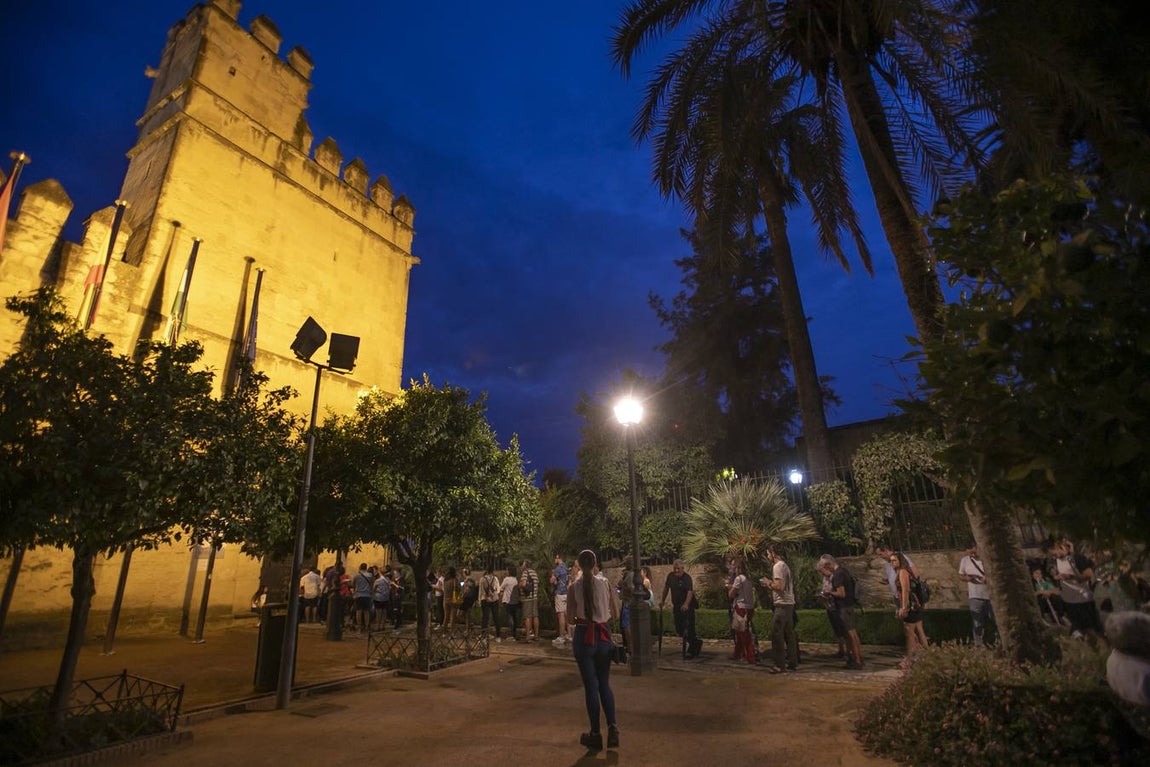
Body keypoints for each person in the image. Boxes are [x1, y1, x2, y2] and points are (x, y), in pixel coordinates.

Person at [566, 549, 619, 752]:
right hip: (604, 636)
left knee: (591, 687)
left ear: (579, 565)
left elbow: (570, 619)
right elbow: (615, 613)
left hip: (584, 637)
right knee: (604, 684)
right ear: (595, 563)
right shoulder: (604, 583)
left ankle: (595, 734)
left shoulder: (574, 587)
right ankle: (613, 728)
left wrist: (583, 617)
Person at [1049, 539, 1104, 640]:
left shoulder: (1076, 558)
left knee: (1093, 629)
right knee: (1082, 632)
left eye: (1054, 554)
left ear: (1057, 547)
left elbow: (1088, 575)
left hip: (1083, 600)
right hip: (1070, 601)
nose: (1053, 557)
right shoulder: (1056, 561)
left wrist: (1069, 577)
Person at [817, 554, 863, 668]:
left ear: (828, 565)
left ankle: (856, 660)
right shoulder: (844, 571)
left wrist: (829, 593)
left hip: (843, 607)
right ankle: (856, 658)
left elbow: (841, 593)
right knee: (852, 633)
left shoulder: (838, 574)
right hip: (849, 605)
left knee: (850, 634)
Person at [761, 548, 799, 673]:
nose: (767, 556)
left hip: (782, 604)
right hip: (789, 604)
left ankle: (779, 664)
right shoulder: (784, 566)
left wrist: (768, 583)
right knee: (789, 634)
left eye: (768, 554)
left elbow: (779, 586)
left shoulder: (777, 566)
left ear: (773, 553)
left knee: (776, 633)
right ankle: (793, 662)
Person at [893, 552, 929, 666]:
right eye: (891, 561)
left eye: (894, 560)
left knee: (909, 633)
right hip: (916, 605)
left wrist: (904, 607)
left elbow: (905, 590)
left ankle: (909, 660)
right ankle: (929, 657)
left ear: (900, 561)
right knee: (919, 631)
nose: (892, 563)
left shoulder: (903, 572)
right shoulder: (907, 571)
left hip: (911, 606)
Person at [660, 559, 700, 659]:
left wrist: (686, 604)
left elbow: (690, 592)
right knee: (679, 628)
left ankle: (692, 649)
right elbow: (666, 588)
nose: (676, 570)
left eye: (678, 568)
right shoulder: (670, 576)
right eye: (675, 568)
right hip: (677, 606)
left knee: (689, 628)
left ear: (682, 568)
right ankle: (696, 643)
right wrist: (662, 600)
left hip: (688, 607)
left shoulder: (687, 578)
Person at [958, 544, 994, 647]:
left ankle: (996, 642)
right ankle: (979, 645)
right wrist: (968, 578)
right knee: (977, 623)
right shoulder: (965, 560)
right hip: (974, 596)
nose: (972, 555)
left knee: (994, 619)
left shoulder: (987, 559)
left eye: (974, 552)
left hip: (990, 595)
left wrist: (987, 579)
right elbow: (961, 575)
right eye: (970, 553)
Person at [728, 560, 756, 664]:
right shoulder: (748, 579)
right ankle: (738, 653)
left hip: (741, 607)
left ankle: (750, 657)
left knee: (743, 633)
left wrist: (730, 587)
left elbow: (731, 594)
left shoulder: (739, 579)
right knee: (740, 631)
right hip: (750, 607)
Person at [551, 553, 570, 646]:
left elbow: (552, 580)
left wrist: (552, 574)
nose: (554, 560)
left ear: (558, 558)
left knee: (560, 615)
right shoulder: (566, 568)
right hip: (566, 593)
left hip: (559, 593)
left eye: (555, 558)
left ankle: (561, 636)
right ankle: (568, 634)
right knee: (566, 614)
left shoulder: (558, 569)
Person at [499, 564, 522, 642]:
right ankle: (514, 634)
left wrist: (501, 592)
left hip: (507, 601)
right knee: (514, 617)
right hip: (515, 601)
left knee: (510, 617)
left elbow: (501, 588)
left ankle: (511, 635)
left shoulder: (507, 579)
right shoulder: (516, 580)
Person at [520, 559, 540, 642]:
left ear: (525, 565)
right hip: (534, 597)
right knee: (535, 616)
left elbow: (524, 584)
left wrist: (520, 584)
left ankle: (528, 636)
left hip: (527, 597)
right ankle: (536, 636)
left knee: (527, 617)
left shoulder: (525, 572)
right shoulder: (534, 573)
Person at [352, 563, 374, 632]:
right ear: (366, 568)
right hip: (367, 595)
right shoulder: (370, 575)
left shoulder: (356, 575)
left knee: (358, 611)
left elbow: (353, 584)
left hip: (358, 595)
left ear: (360, 567)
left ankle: (359, 627)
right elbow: (372, 584)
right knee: (366, 611)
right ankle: (367, 626)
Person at [480, 565, 500, 637]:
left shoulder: (483, 579)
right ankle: (498, 635)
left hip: (485, 600)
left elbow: (481, 591)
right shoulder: (495, 579)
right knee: (496, 617)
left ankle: (483, 635)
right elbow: (498, 590)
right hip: (494, 599)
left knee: (485, 618)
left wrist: (485, 598)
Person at [372, 565, 391, 631]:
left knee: (378, 612)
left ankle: (378, 626)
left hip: (378, 598)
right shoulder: (388, 580)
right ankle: (383, 626)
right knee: (384, 611)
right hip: (386, 597)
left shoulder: (378, 581)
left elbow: (373, 589)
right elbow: (390, 588)